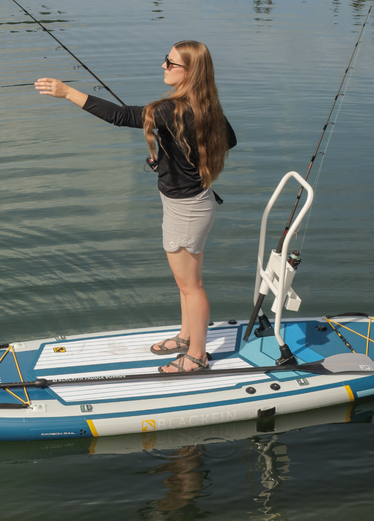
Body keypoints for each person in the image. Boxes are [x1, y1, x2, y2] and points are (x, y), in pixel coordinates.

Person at [35, 40, 236, 373]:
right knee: (186, 281)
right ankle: (187, 336)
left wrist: (68, 92)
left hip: (186, 210)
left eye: (170, 63)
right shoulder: (205, 105)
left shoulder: (172, 110)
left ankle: (197, 355)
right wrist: (175, 156)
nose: (163, 66)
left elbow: (120, 115)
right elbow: (228, 139)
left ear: (190, 71)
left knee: (191, 285)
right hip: (193, 202)